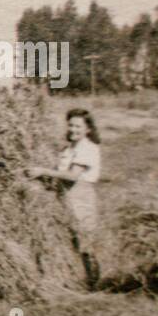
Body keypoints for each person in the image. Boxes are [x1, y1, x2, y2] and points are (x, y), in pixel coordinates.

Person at [26, 108, 102, 289]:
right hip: (65, 196)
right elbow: (60, 174)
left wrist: (43, 171)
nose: (73, 129)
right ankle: (75, 280)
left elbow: (72, 175)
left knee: (84, 240)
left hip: (81, 196)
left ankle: (93, 284)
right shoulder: (68, 149)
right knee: (69, 239)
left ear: (88, 129)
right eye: (70, 125)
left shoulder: (88, 148)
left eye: (78, 126)